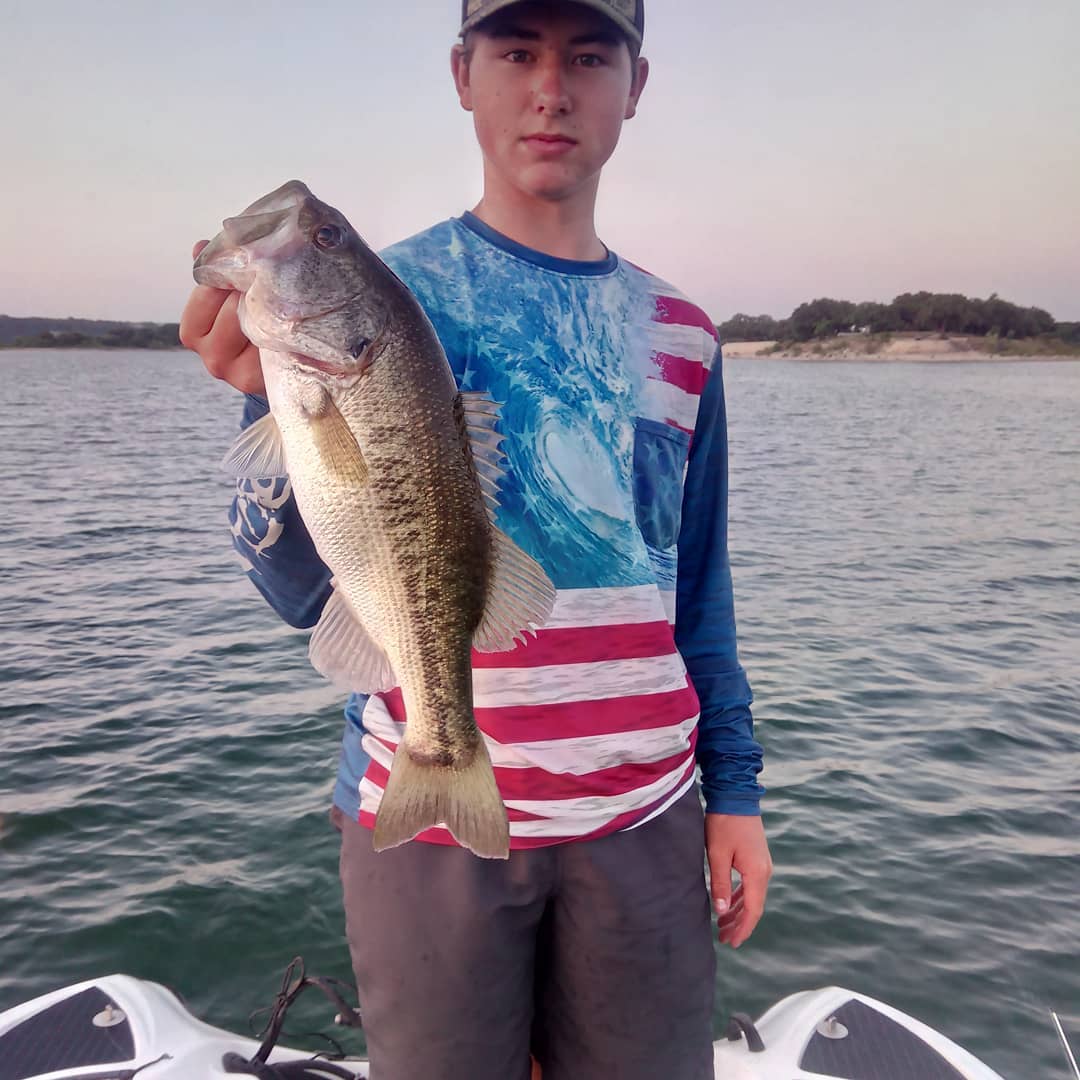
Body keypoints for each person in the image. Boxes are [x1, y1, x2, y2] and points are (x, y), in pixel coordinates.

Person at [180, 2, 772, 1077]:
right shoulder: (386, 297)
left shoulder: (685, 332)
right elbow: (300, 589)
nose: (551, 87)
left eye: (590, 56)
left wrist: (734, 790)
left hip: (647, 807)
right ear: (463, 73)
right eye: (516, 52)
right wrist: (265, 411)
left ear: (635, 86)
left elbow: (698, 585)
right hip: (426, 823)